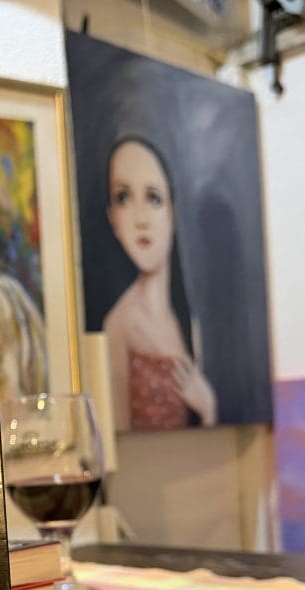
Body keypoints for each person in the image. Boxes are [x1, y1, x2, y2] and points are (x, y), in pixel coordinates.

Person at [100, 137, 216, 431]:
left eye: (153, 198)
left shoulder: (188, 322)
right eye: (123, 198)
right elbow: (116, 441)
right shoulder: (119, 326)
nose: (141, 219)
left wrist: (208, 409)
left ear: (172, 212)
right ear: (112, 217)